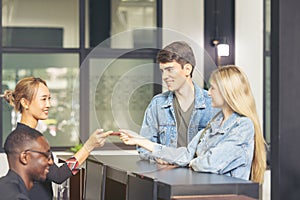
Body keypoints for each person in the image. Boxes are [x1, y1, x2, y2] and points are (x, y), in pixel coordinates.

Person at [119, 65, 266, 184]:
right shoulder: (214, 123)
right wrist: (141, 141)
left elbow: (211, 163)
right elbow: (185, 154)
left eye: (213, 88)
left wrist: (193, 162)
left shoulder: (243, 125)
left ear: (227, 92)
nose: (209, 93)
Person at [0, 77, 112, 200]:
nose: (48, 104)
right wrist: (89, 146)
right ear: (25, 103)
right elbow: (58, 176)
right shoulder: (27, 139)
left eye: (49, 99)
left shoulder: (23, 135)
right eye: (43, 99)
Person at [131, 41, 216, 162]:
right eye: (162, 71)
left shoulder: (213, 104)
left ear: (187, 69)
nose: (164, 76)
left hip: (201, 177)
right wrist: (157, 157)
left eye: (170, 69)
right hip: (167, 177)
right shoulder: (157, 104)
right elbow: (143, 147)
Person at [0, 123, 53, 200]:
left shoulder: (4, 185)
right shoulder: (16, 197)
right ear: (25, 157)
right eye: (46, 155)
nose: (50, 162)